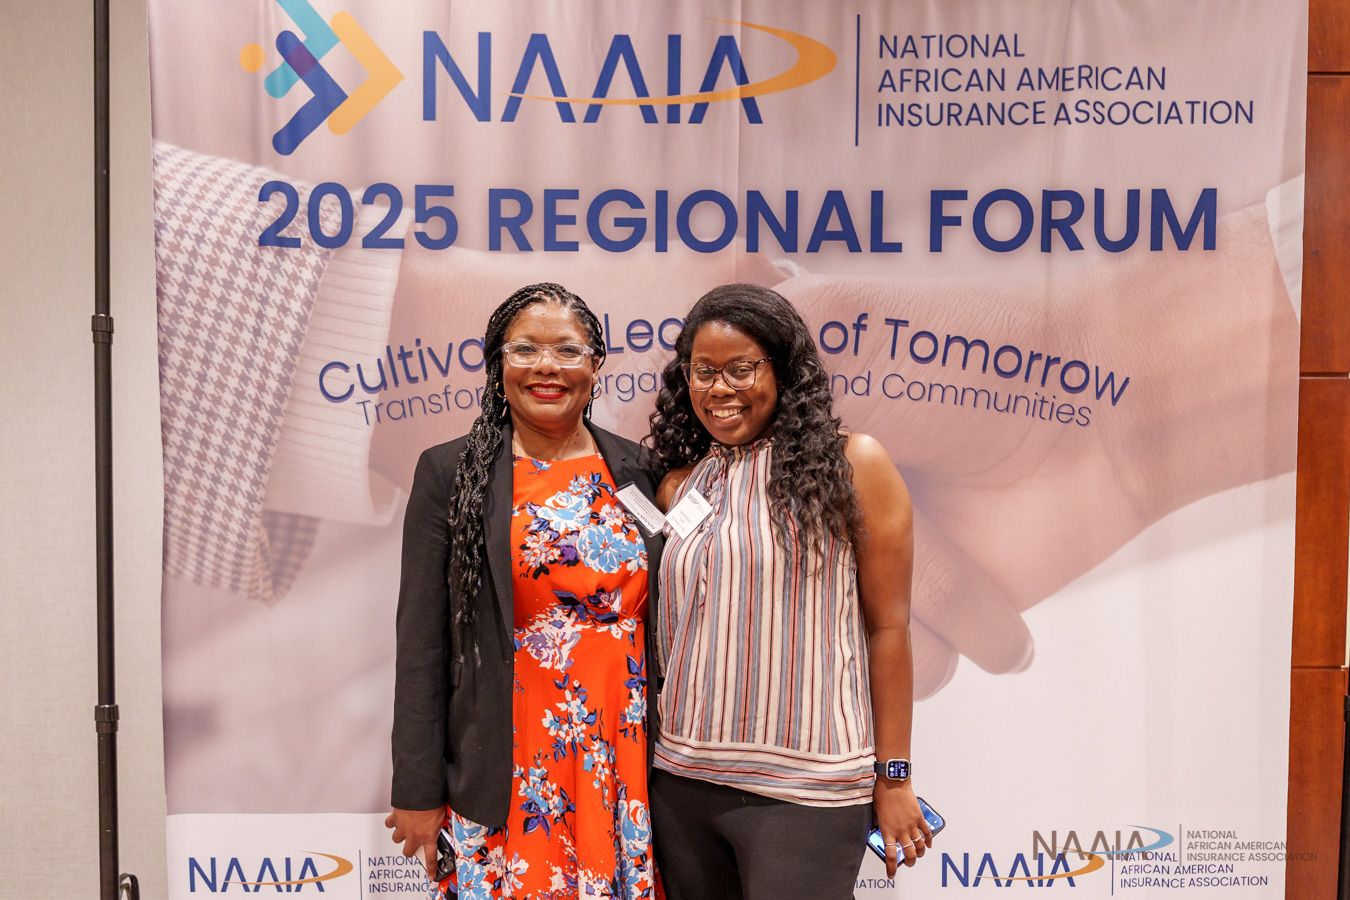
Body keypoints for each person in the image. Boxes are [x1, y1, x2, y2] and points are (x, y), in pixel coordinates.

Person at [646, 283, 930, 898]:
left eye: (741, 368)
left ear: (784, 370)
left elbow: (889, 628)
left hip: (807, 793)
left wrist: (895, 777)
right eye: (703, 371)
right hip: (682, 784)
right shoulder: (680, 485)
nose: (719, 389)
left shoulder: (855, 464)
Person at [384, 282, 665, 898]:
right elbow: (421, 645)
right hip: (508, 766)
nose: (546, 367)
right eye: (525, 350)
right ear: (498, 364)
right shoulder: (451, 474)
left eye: (567, 350)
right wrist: (417, 789)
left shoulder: (641, 470)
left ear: (596, 363)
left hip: (624, 759)